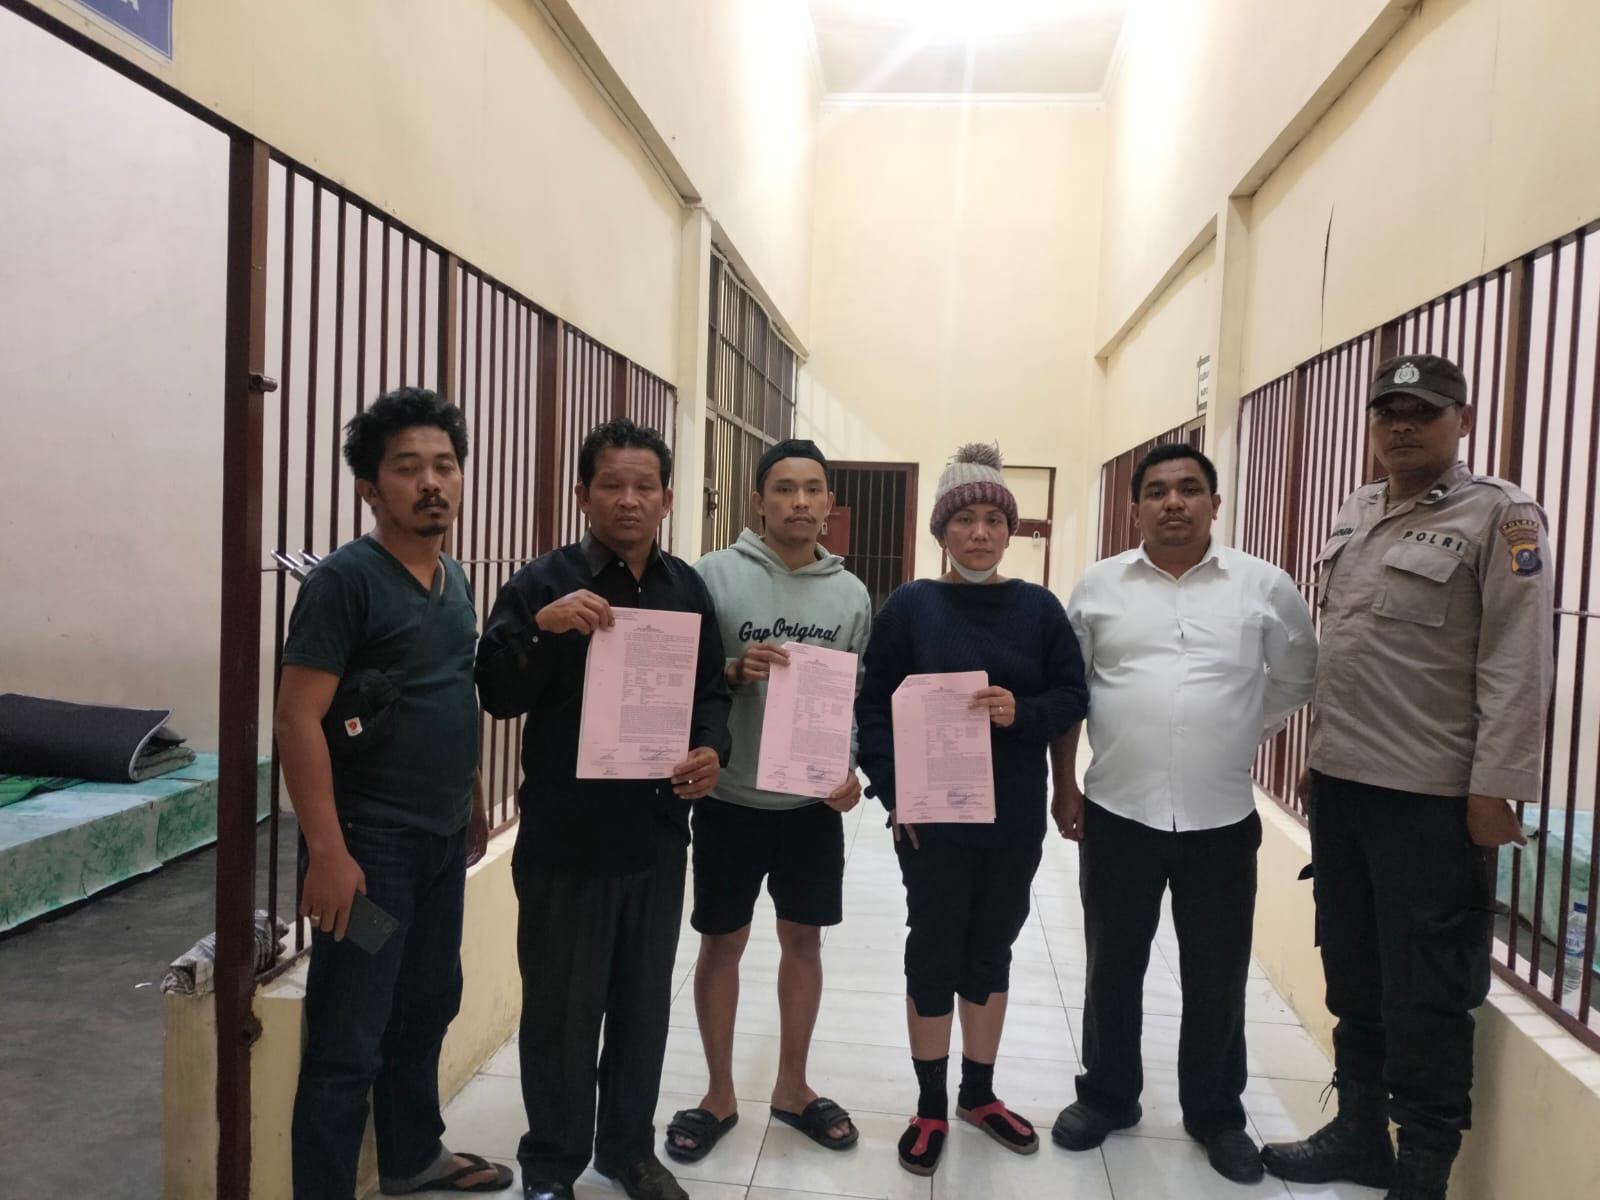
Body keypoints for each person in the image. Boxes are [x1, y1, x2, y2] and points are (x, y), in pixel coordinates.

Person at [1260, 354, 1554, 1200]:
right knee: (1355, 974)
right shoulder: (1357, 509)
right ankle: (1360, 1136)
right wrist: (1318, 762)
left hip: (1432, 799)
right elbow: (1349, 651)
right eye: (1389, 411)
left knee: (1428, 989)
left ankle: (1423, 1167)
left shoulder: (1500, 517)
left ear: (1462, 420)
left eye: (1423, 411)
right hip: (1344, 784)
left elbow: (1517, 662)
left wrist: (1495, 786)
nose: (1403, 426)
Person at [475, 417, 732, 1200]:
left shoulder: (685, 589)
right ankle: (552, 1166)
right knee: (560, 1014)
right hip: (567, 838)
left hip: (656, 834)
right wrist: (541, 630)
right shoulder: (542, 584)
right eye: (612, 485)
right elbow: (496, 690)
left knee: (641, 1007)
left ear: (666, 499)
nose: (629, 500)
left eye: (644, 486)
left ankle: (627, 1151)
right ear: (583, 494)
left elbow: (711, 692)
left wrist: (710, 748)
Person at [1050, 444, 1318, 1184]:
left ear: (1214, 504)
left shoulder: (1263, 586)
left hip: (1220, 818)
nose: (1174, 502)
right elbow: (1071, 688)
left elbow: (1298, 675)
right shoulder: (1099, 586)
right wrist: (1065, 784)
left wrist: (1241, 727)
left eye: (1190, 489)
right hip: (1118, 810)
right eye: (1158, 491)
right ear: (1135, 507)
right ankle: (1107, 1095)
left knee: (1216, 974)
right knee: (1112, 965)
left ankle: (1215, 1114)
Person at [277, 388, 508, 1198]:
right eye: (409, 468)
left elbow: (445, 691)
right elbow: (296, 719)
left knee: (428, 1004)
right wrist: (328, 853)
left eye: (445, 464)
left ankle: (411, 1159)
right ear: (371, 489)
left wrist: (470, 796)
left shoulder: (454, 578)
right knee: (349, 1034)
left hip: (440, 841)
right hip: (370, 849)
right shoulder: (346, 583)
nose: (432, 482)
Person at [855, 442, 1089, 1178]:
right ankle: (930, 1104)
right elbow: (873, 706)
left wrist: (1023, 711)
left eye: (993, 519)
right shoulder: (911, 607)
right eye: (965, 520)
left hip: (1011, 817)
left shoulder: (1039, 609)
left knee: (992, 948)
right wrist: (895, 792)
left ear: (1011, 530)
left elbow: (1073, 695)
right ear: (942, 530)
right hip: (931, 818)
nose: (980, 533)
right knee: (933, 947)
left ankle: (978, 1094)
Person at [663, 439, 873, 1164]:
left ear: (830, 504)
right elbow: (684, 678)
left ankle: (792, 1086)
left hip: (810, 807)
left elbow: (853, 698)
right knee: (722, 944)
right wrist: (731, 668)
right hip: (729, 798)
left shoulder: (850, 595)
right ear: (758, 500)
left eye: (814, 489)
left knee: (803, 943)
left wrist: (848, 769)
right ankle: (719, 1094)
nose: (801, 501)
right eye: (785, 488)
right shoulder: (712, 576)